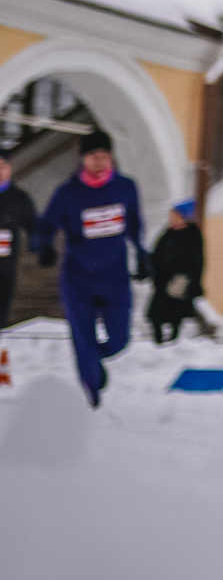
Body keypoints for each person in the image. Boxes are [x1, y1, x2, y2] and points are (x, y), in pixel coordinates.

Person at [32, 133, 149, 406]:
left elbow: (134, 224)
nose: (99, 161)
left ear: (111, 157)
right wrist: (44, 246)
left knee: (120, 339)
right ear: (83, 159)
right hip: (78, 280)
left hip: (115, 278)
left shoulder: (125, 188)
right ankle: (91, 398)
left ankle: (94, 361)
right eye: (93, 156)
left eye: (104, 156)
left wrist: (143, 254)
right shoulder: (68, 193)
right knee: (83, 340)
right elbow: (46, 226)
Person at [148, 200, 204, 344]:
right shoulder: (168, 233)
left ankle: (174, 339)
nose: (172, 218)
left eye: (175, 215)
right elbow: (157, 253)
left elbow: (197, 261)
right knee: (157, 314)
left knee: (176, 313)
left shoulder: (192, 235)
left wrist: (193, 281)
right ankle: (158, 339)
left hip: (181, 282)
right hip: (163, 280)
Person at [0, 150, 36, 329]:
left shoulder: (19, 198)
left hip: (5, 270)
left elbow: (33, 226)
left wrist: (39, 245)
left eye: (4, 166)